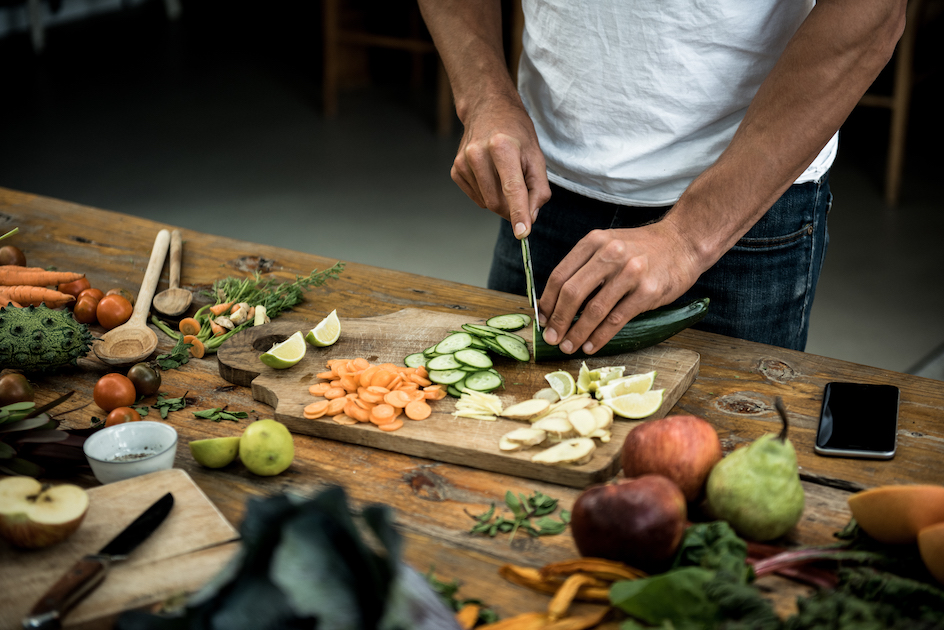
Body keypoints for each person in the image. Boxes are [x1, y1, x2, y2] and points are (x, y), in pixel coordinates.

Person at [417, 0, 906, 354]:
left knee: (717, 481)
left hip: (743, 209)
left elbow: (872, 13)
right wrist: (485, 94)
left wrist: (687, 239)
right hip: (545, 187)